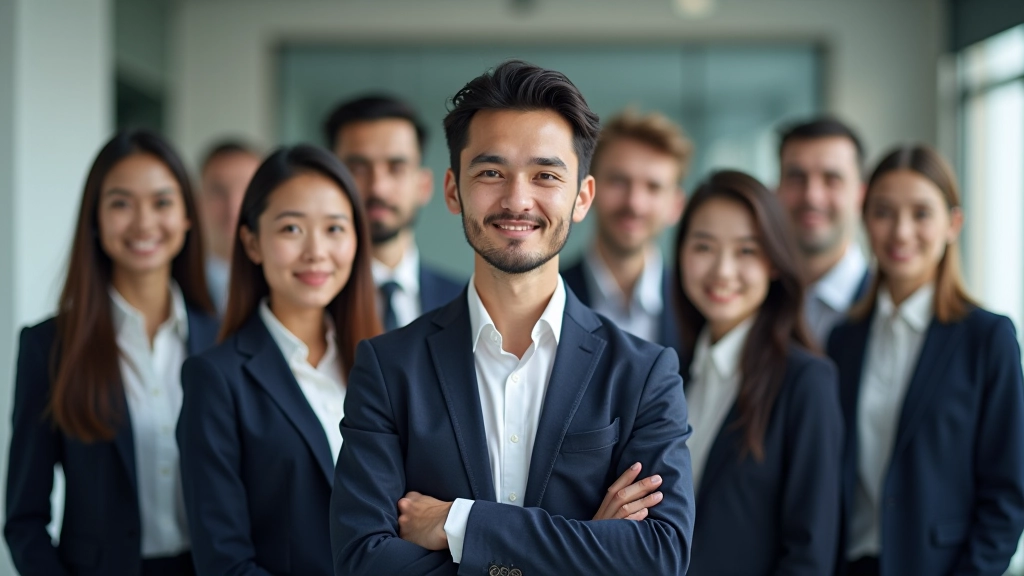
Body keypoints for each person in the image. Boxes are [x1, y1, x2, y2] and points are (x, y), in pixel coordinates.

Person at [330, 60, 695, 576]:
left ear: (582, 197)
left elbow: (659, 555)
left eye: (545, 175)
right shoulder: (388, 367)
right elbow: (362, 560)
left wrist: (461, 523)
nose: (517, 200)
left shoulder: (644, 373)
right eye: (491, 173)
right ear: (453, 190)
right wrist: (589, 545)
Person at [5, 129, 218, 576]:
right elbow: (24, 519)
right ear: (96, 220)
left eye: (162, 202)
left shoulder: (224, 339)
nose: (143, 223)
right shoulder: (50, 347)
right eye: (121, 203)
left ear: (186, 216)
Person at [176, 145, 381, 576]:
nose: (316, 251)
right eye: (291, 228)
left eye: (334, 228)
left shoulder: (386, 363)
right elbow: (225, 563)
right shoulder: (216, 379)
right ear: (252, 242)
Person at [828, 145, 1024, 576]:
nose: (901, 232)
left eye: (921, 213)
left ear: (953, 224)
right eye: (883, 212)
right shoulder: (843, 340)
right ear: (865, 219)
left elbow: (1007, 494)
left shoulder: (987, 339)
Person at [674, 170, 842, 575]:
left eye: (746, 251)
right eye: (704, 247)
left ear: (775, 263)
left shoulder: (806, 382)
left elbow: (809, 553)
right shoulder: (669, 372)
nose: (723, 271)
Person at [324, 94, 463, 330]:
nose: (378, 187)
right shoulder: (308, 303)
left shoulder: (464, 303)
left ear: (424, 185)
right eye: (358, 169)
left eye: (396, 168)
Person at [562, 109, 691, 349]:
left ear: (676, 206)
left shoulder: (695, 304)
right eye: (618, 181)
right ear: (586, 191)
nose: (634, 203)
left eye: (653, 187)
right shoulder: (549, 297)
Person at [776, 117, 871, 345]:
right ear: (777, 189)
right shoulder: (755, 301)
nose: (812, 196)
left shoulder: (885, 309)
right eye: (797, 178)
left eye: (832, 179)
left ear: (861, 195)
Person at [196, 140, 261, 315]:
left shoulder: (286, 286)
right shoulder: (173, 285)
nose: (233, 207)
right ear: (197, 201)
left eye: (247, 190)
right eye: (218, 191)